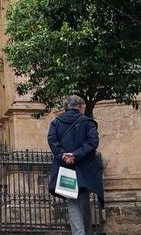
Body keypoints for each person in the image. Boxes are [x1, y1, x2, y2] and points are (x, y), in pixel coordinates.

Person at [47, 95, 102, 235]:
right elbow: (92, 142)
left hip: (65, 168)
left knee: (72, 202)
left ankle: (79, 233)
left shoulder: (56, 122)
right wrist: (76, 155)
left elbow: (52, 141)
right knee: (84, 202)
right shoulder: (87, 122)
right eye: (83, 106)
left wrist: (63, 155)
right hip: (84, 168)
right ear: (79, 107)